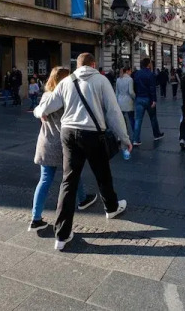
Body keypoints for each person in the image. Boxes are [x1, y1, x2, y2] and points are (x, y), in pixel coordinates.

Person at [34, 53, 130, 251]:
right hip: (93, 133)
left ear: (77, 66)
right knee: (102, 173)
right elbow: (113, 111)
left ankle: (61, 235)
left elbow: (45, 107)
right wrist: (124, 138)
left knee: (68, 181)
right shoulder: (101, 80)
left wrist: (38, 112)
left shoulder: (66, 82)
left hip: (68, 133)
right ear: (93, 64)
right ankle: (111, 208)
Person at [29, 67, 97, 232]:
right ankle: (82, 199)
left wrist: (38, 112)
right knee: (73, 173)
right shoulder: (67, 97)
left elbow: (39, 112)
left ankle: (35, 218)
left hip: (46, 142)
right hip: (65, 142)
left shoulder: (46, 96)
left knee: (45, 179)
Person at [132, 58, 164, 146]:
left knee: (138, 120)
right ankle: (156, 134)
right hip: (148, 98)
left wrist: (137, 95)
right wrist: (154, 100)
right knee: (153, 118)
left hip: (139, 98)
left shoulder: (137, 73)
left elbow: (134, 86)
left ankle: (136, 139)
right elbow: (152, 88)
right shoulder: (150, 74)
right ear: (148, 64)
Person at [115, 66, 135, 135]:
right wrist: (134, 97)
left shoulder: (118, 79)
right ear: (127, 71)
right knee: (131, 119)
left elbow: (117, 92)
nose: (131, 72)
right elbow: (131, 92)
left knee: (121, 119)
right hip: (128, 101)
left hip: (120, 101)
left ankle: (122, 133)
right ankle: (135, 133)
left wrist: (116, 101)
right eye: (130, 71)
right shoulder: (130, 79)